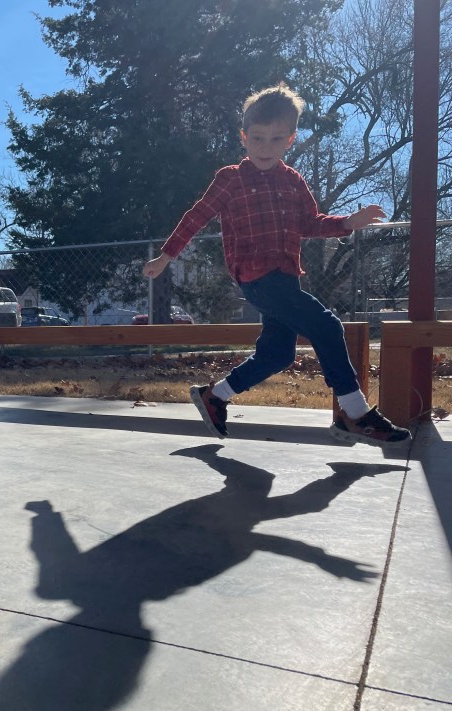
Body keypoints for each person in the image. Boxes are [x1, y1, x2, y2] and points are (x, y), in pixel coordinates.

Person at [143, 83, 410, 447]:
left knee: (278, 354)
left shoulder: (292, 181)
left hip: (285, 279)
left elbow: (310, 223)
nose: (265, 148)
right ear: (244, 137)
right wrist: (166, 256)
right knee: (327, 326)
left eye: (275, 139)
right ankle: (355, 414)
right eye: (257, 138)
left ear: (290, 140)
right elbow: (197, 216)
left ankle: (215, 396)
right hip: (255, 277)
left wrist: (348, 222)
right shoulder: (230, 178)